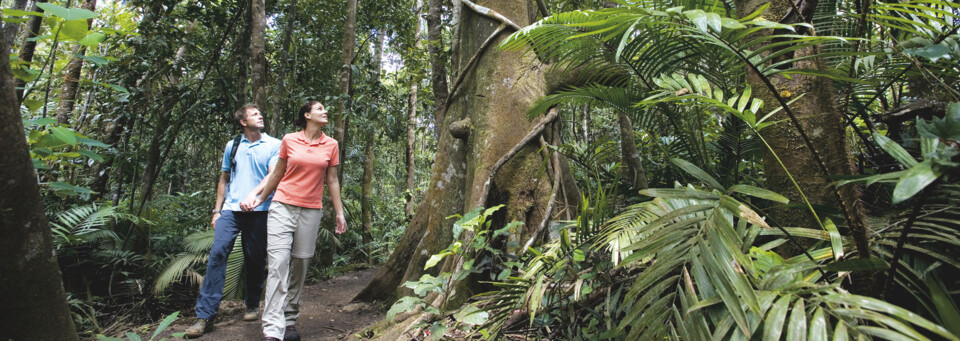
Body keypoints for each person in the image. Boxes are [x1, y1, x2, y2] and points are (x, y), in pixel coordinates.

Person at [241, 100, 347, 341]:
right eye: (320, 109)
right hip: (282, 206)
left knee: (300, 265)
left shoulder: (331, 144)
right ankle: (272, 329)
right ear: (307, 115)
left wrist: (339, 212)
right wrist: (260, 198)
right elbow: (277, 173)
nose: (325, 111)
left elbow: (332, 180)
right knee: (278, 264)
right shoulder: (289, 139)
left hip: (311, 210)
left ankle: (289, 321)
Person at [184, 104, 281, 338]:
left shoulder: (274, 144)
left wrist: (255, 198)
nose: (260, 116)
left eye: (260, 113)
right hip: (231, 210)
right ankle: (205, 315)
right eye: (254, 114)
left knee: (255, 258)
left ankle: (251, 303)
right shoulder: (233, 145)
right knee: (217, 255)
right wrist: (217, 210)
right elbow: (224, 179)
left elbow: (272, 175)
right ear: (242, 121)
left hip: (260, 210)